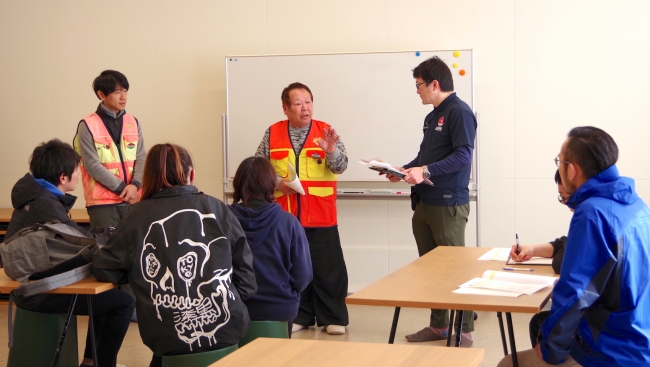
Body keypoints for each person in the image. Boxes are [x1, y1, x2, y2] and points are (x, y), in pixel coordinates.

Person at [92, 143, 257, 367]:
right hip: (229, 330)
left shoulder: (135, 217)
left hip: (166, 337)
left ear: (148, 178)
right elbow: (247, 281)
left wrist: (136, 273)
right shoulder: (219, 210)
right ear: (191, 175)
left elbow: (104, 268)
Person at [498, 126, 650, 366]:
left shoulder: (591, 212)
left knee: (508, 363)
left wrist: (551, 353)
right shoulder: (635, 205)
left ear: (571, 169)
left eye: (559, 160)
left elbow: (574, 293)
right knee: (542, 324)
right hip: (638, 335)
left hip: (612, 349)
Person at [7, 139, 134, 367]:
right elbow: (80, 241)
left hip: (37, 278)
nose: (80, 174)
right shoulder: (46, 205)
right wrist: (114, 233)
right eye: (77, 170)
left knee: (107, 292)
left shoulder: (37, 196)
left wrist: (109, 231)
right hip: (36, 291)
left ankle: (90, 361)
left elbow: (72, 234)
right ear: (63, 178)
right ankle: (98, 363)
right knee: (122, 303)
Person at [385, 56, 477, 345]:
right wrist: (403, 170)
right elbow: (426, 158)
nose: (417, 91)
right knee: (431, 270)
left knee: (455, 269)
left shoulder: (459, 112)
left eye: (419, 85)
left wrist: (423, 170)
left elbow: (464, 155)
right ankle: (439, 326)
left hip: (448, 204)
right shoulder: (431, 116)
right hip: (425, 202)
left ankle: (464, 330)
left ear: (435, 84)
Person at [255, 82, 349, 335]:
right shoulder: (272, 133)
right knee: (293, 268)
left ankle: (334, 317)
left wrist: (331, 152)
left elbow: (341, 166)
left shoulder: (325, 131)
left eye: (308, 101)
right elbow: (259, 169)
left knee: (328, 269)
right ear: (285, 108)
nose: (305, 108)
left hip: (320, 213)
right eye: (298, 103)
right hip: (284, 216)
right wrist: (276, 182)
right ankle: (301, 315)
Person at [228, 156, 313, 334]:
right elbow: (303, 277)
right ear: (270, 184)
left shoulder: (223, 221)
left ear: (238, 184)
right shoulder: (289, 223)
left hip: (232, 310)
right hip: (280, 310)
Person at [73, 70, 147, 228]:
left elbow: (141, 157)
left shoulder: (133, 122)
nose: (123, 97)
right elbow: (92, 165)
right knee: (106, 249)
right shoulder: (87, 125)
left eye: (125, 91)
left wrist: (135, 186)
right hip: (103, 204)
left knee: (136, 249)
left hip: (134, 200)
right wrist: (123, 189)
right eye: (117, 92)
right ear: (101, 95)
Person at [508, 170, 572, 348]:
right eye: (561, 197)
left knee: (540, 323)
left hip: (602, 323)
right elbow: (563, 244)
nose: (565, 203)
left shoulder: (591, 216)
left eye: (566, 197)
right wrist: (532, 249)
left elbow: (562, 262)